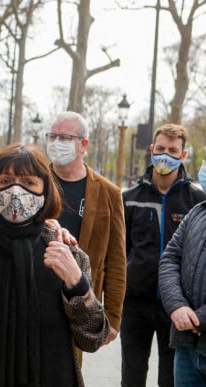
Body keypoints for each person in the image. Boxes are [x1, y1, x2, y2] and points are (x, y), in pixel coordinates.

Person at [0, 143, 110, 386]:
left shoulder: (68, 253)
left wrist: (77, 284)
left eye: (28, 182)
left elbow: (93, 338)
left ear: (46, 190)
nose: (16, 191)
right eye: (5, 181)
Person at [121, 123, 206, 386]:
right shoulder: (130, 198)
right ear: (151, 150)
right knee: (131, 376)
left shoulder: (196, 200)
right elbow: (120, 249)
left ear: (183, 154)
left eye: (172, 150)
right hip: (135, 302)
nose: (164, 155)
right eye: (160, 149)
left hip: (177, 306)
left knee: (170, 378)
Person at [45, 111, 126, 348]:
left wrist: (112, 317)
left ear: (83, 145)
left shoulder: (109, 193)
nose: (56, 143)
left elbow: (117, 259)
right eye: (52, 136)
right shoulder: (35, 181)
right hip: (37, 295)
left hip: (79, 300)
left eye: (65, 137)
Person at [159, 199, 206, 385]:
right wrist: (177, 305)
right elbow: (170, 258)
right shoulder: (198, 212)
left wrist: (199, 318)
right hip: (187, 345)